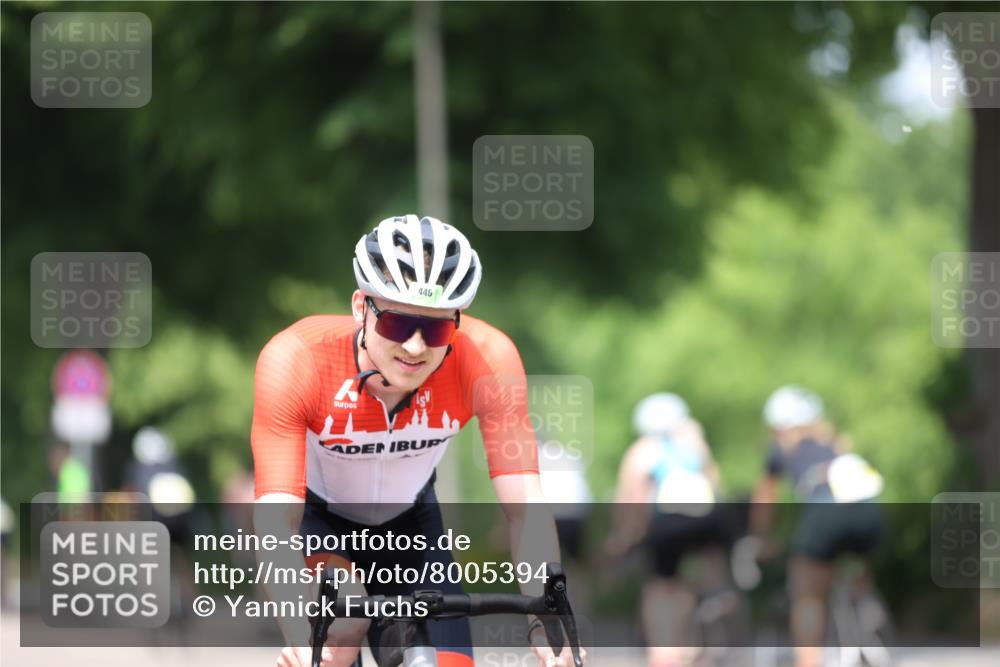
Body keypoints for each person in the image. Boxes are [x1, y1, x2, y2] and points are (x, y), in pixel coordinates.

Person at [251, 215, 581, 667]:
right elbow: (275, 520)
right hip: (319, 523)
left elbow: (524, 502)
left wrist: (546, 615)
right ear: (360, 307)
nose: (415, 346)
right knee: (341, 629)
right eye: (397, 323)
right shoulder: (297, 360)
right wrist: (296, 626)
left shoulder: (488, 360)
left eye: (437, 329)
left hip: (413, 528)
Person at [751, 386, 885, 667]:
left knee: (807, 594)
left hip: (825, 511)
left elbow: (765, 501)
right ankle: (866, 603)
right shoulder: (835, 442)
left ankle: (808, 661)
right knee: (853, 557)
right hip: (869, 510)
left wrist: (762, 538)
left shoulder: (783, 448)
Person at [605, 393, 729, 667]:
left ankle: (664, 652)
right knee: (694, 580)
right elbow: (716, 486)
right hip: (707, 522)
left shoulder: (643, 449)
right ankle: (705, 619)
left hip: (667, 523)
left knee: (662, 586)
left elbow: (633, 498)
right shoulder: (694, 445)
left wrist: (624, 535)